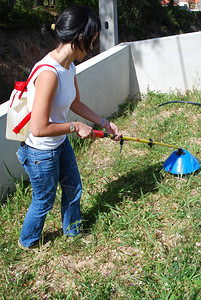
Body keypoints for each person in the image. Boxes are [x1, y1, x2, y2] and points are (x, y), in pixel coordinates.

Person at [16, 5, 121, 250]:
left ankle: (73, 233)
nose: (93, 47)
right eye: (92, 41)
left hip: (59, 144)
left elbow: (75, 103)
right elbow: (39, 128)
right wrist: (74, 127)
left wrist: (104, 122)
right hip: (41, 151)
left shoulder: (68, 65)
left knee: (74, 187)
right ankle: (27, 242)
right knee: (44, 200)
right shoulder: (49, 73)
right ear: (80, 38)